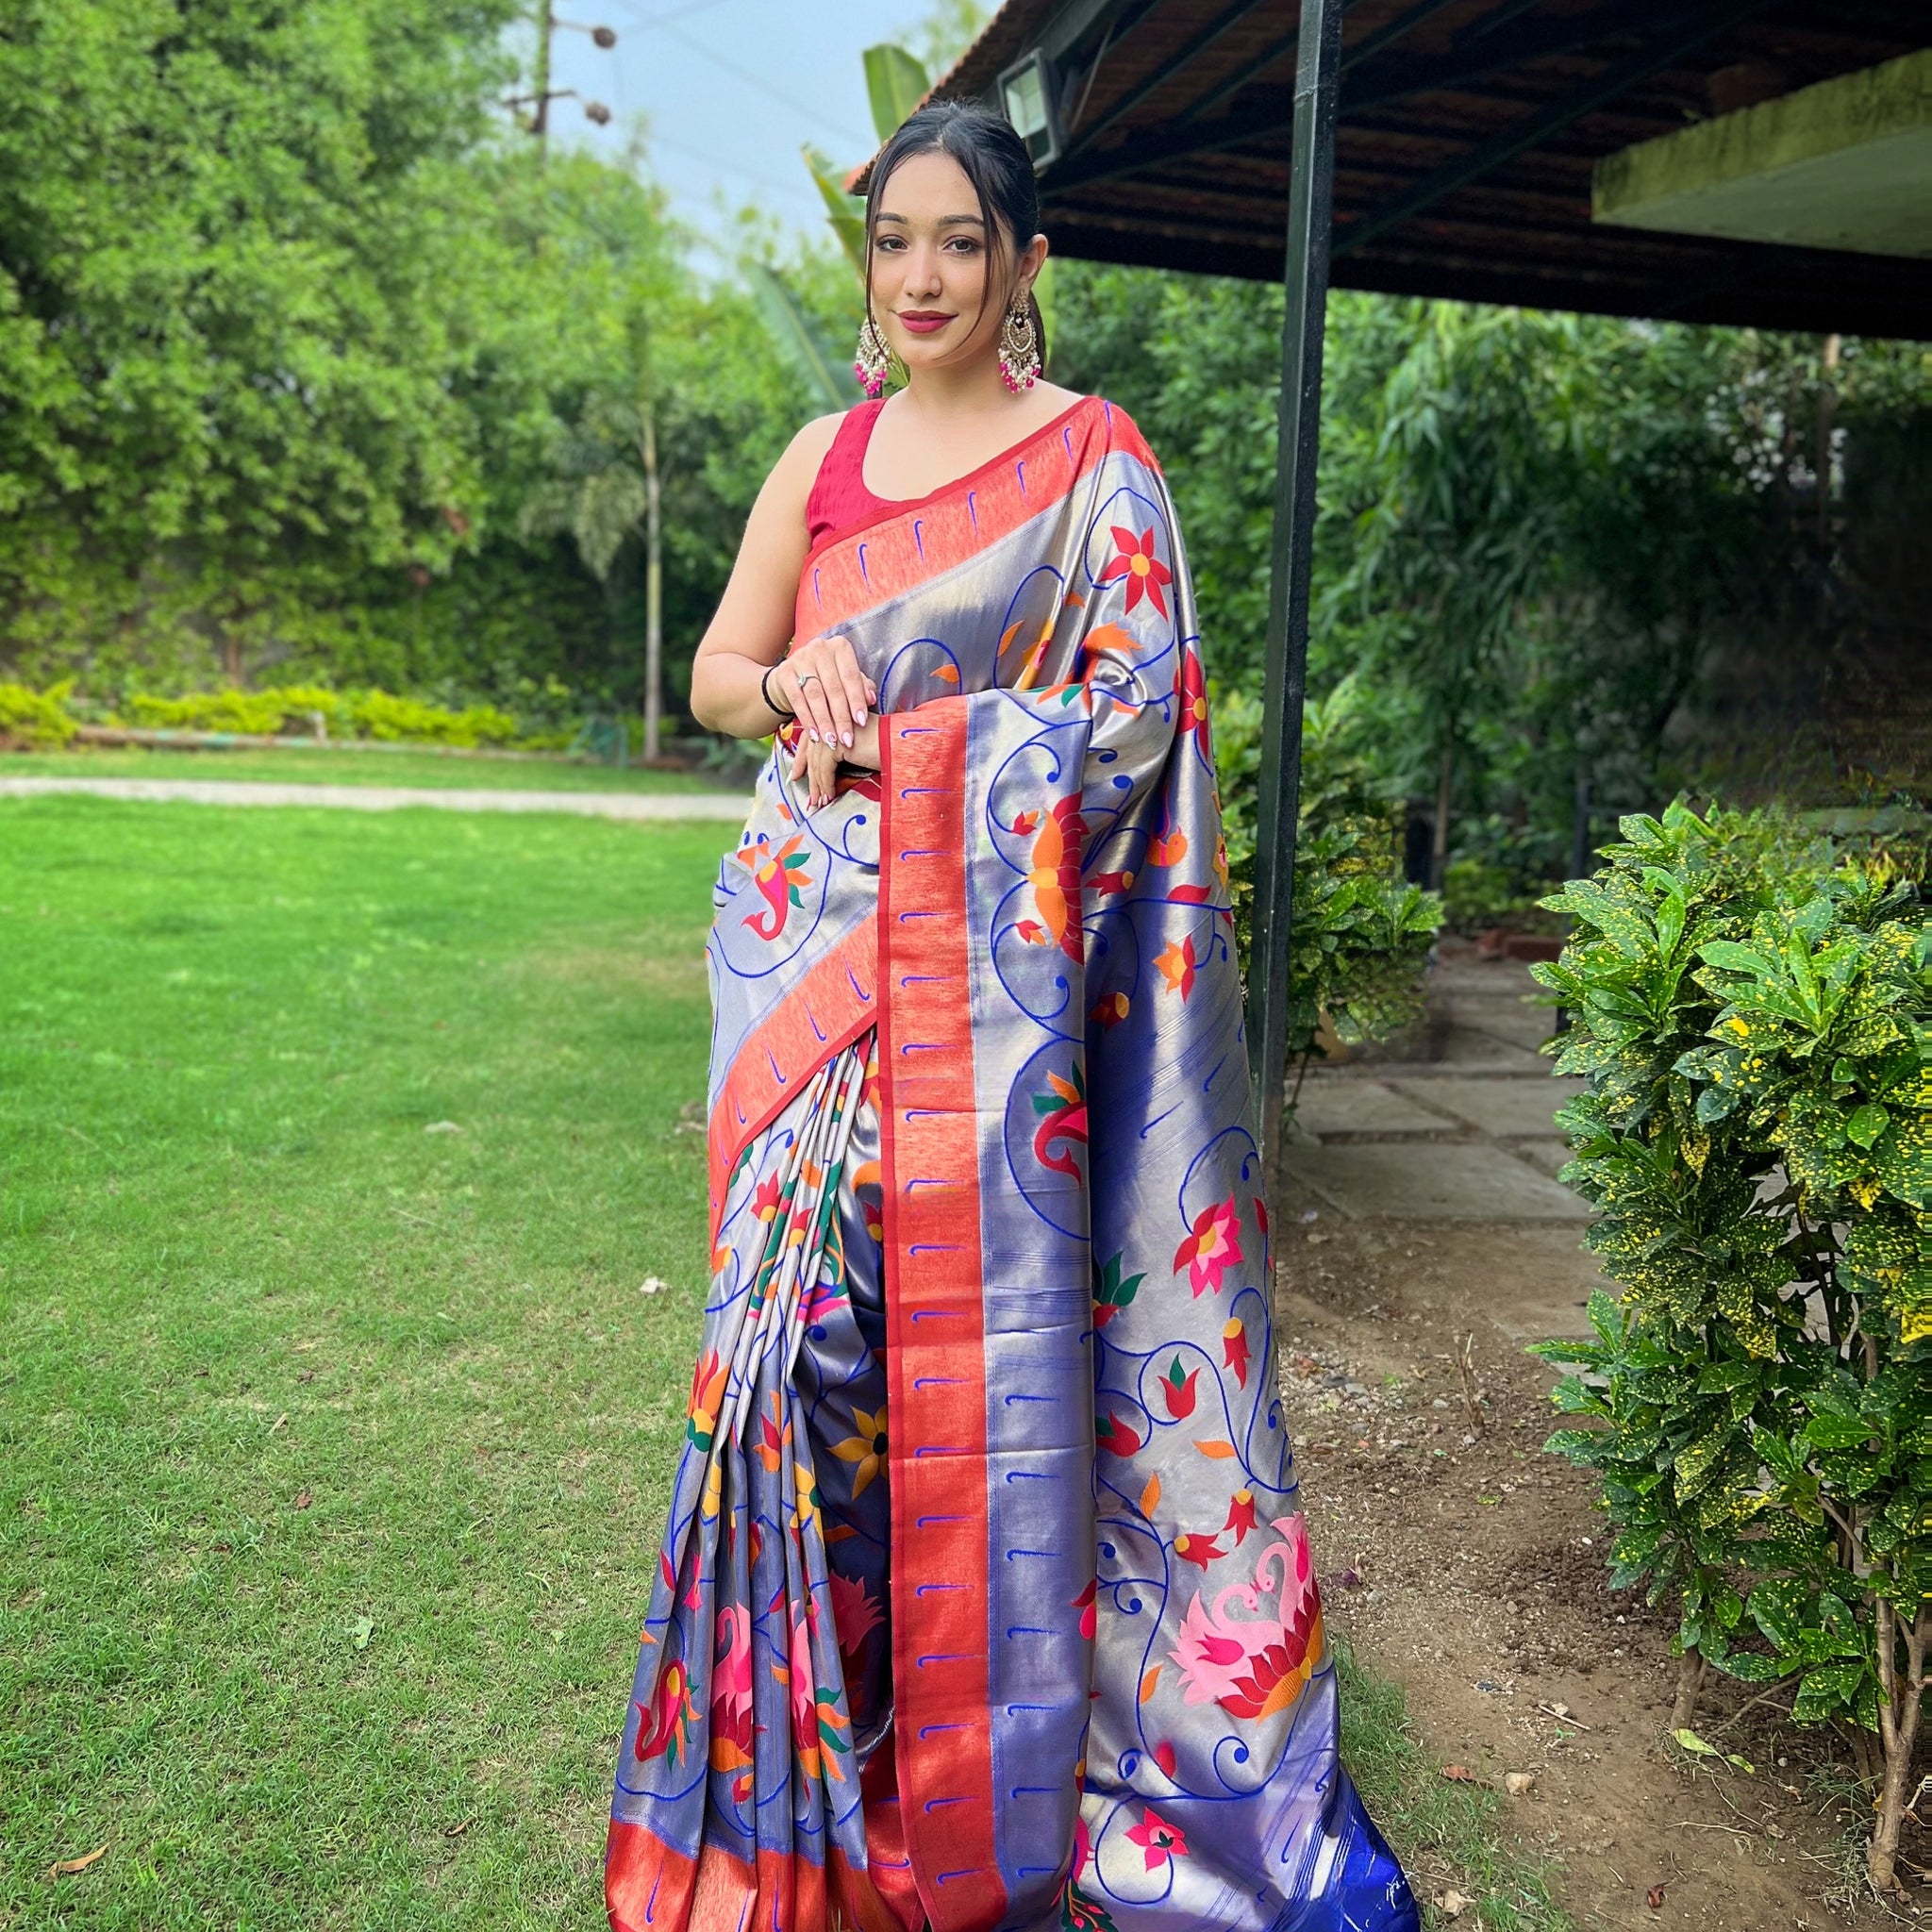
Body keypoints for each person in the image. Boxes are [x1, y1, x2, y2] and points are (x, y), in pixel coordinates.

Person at [605, 99, 1418, 1932]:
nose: (921, 276)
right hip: (821, 1030)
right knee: (816, 1386)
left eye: (961, 242)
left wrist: (918, 747)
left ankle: (1039, 1783)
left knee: (1027, 1401)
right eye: (894, 238)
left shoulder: (1092, 465)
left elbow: (1135, 727)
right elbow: (722, 669)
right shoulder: (822, 454)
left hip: (1013, 1041)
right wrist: (786, 683)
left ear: (1025, 264)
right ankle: (830, 1765)